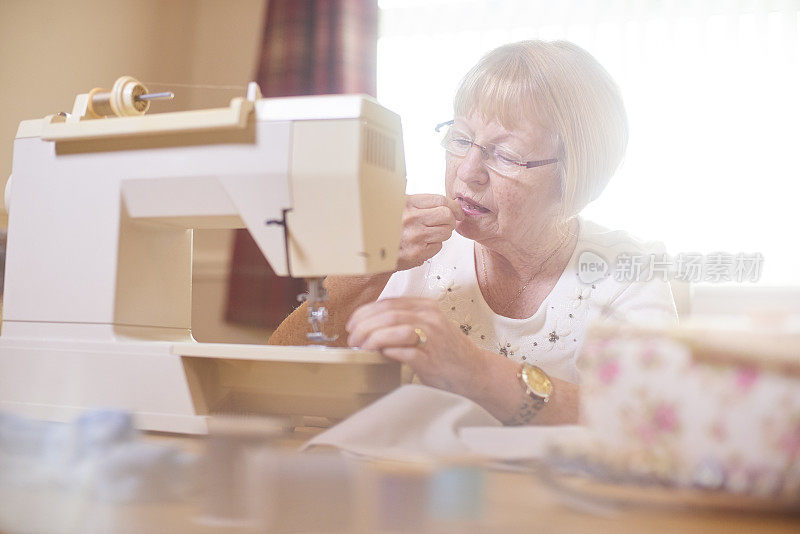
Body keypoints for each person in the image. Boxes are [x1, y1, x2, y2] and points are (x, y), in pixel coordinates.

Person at [270, 40, 677, 425]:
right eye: (461, 139)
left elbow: (651, 426)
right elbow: (275, 386)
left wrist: (473, 369)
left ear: (575, 177)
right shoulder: (411, 250)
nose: (466, 171)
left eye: (506, 155)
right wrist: (365, 268)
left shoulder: (626, 272)